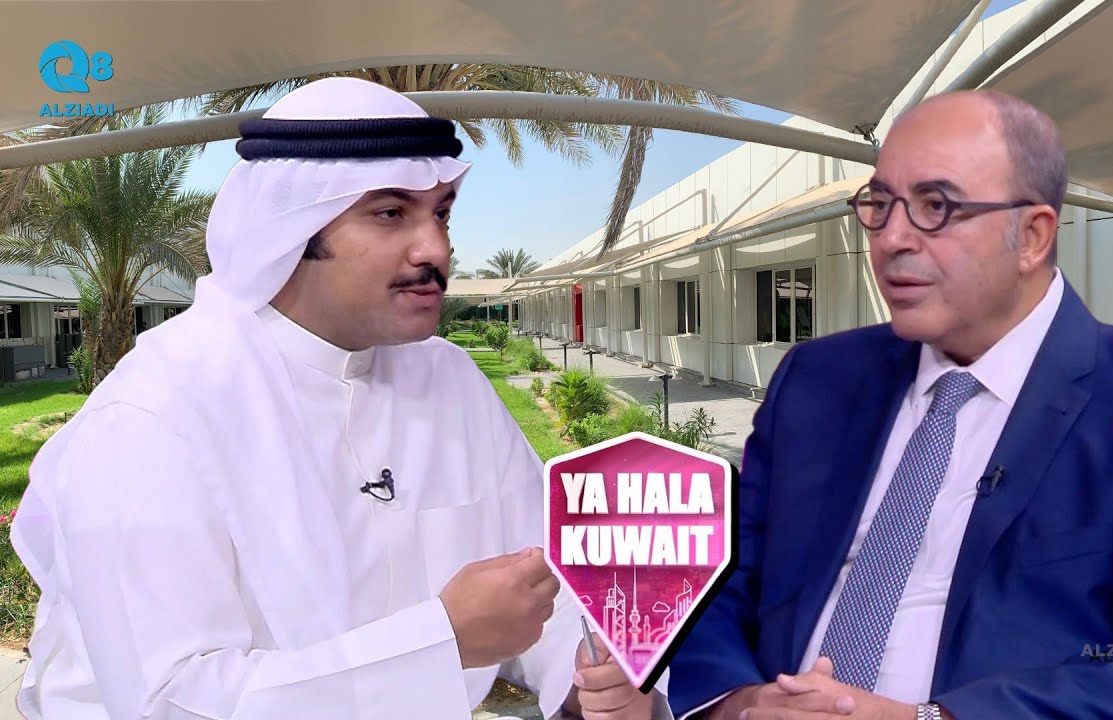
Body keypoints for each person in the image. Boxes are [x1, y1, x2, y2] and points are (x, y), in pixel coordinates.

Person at [10, 77, 668, 720]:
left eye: (441, 213)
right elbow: (168, 699)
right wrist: (441, 643)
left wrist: (591, 679)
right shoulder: (158, 412)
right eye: (390, 213)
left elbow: (542, 581)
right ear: (295, 229)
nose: (436, 249)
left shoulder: (450, 379)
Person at [667, 89, 1113, 719]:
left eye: (936, 206)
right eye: (880, 204)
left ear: (1032, 236)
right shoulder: (815, 379)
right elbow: (721, 576)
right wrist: (734, 702)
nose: (891, 238)